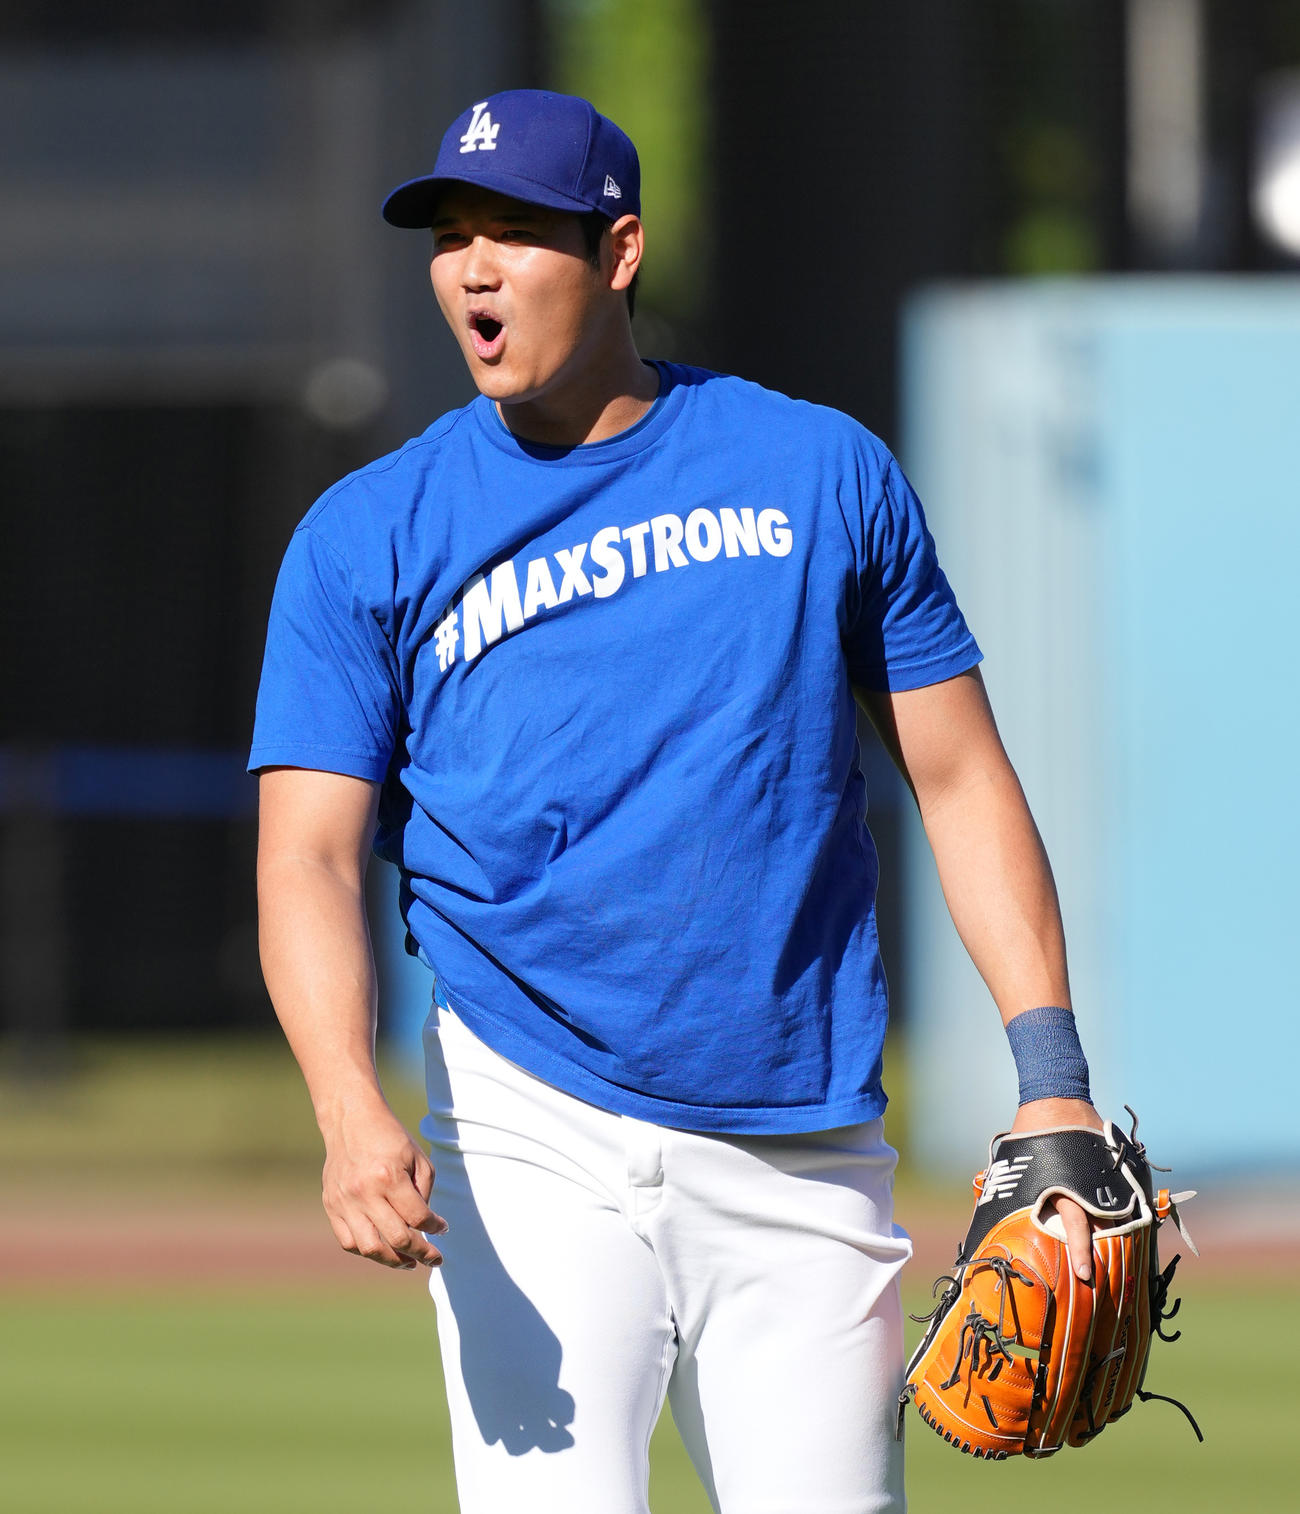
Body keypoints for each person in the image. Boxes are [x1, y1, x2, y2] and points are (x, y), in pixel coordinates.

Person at [251, 88, 1102, 1514]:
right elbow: (309, 855)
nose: (473, 266)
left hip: (800, 1128)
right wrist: (346, 1102)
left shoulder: (819, 473)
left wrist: (1053, 1077)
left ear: (621, 250)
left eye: (517, 231)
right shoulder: (365, 537)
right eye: (452, 234)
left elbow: (959, 780)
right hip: (527, 1124)